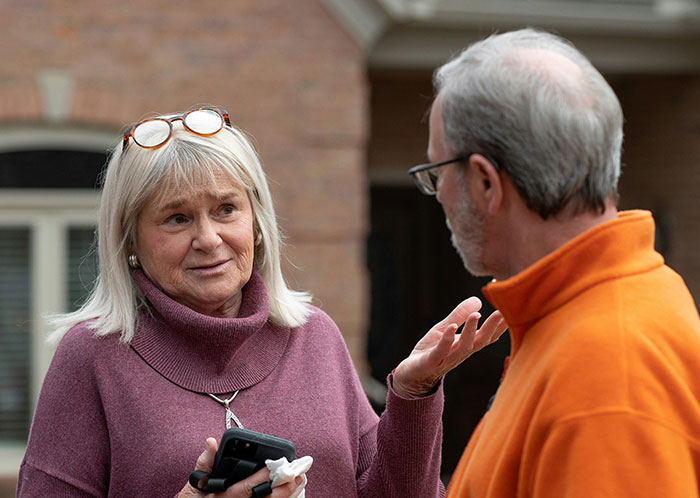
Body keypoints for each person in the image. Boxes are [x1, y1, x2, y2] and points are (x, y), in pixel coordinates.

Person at [17, 106, 506, 498]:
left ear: (256, 221)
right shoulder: (92, 356)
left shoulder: (313, 336)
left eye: (226, 209)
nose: (208, 238)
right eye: (176, 219)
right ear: (130, 241)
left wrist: (414, 393)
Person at [408, 28, 700, 497]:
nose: (438, 193)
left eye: (438, 172)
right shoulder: (587, 311)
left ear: (485, 182)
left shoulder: (608, 379)